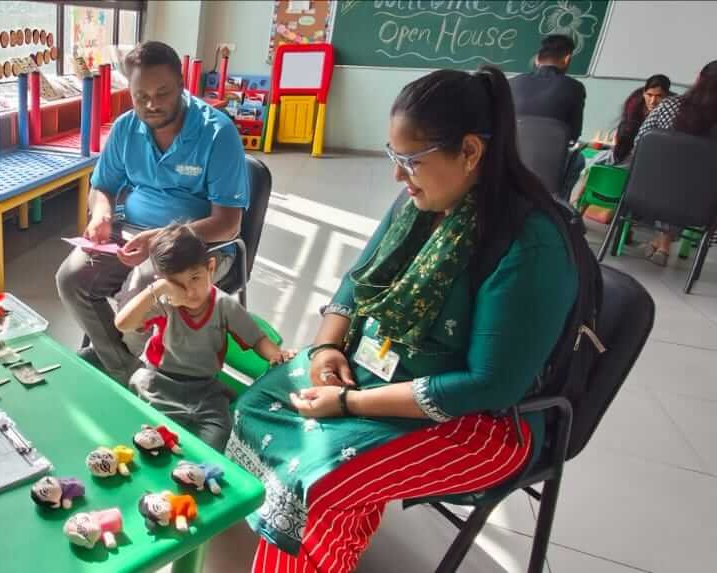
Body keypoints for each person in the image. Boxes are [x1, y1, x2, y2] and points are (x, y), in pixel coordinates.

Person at [227, 66, 576, 573]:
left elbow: (488, 384)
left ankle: (315, 541)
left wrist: (350, 403)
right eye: (394, 156)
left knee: (318, 483)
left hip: (482, 423)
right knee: (255, 406)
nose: (397, 175)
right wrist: (327, 348)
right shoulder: (421, 202)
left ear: (470, 152)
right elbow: (357, 281)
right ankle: (315, 538)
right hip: (381, 373)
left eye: (410, 160)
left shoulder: (528, 243)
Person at [56, 40, 250, 384]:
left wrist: (159, 238)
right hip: (131, 232)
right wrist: (101, 214)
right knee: (72, 278)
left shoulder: (217, 133)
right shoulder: (126, 128)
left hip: (199, 246)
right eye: (140, 96)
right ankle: (127, 371)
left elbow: (228, 224)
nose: (151, 105)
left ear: (182, 85)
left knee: (144, 290)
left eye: (163, 93)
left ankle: (131, 366)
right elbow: (102, 187)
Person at [113, 224, 293, 450]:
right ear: (164, 281)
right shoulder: (165, 303)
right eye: (176, 284)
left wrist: (276, 354)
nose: (189, 292)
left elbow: (257, 339)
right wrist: (157, 290)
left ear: (211, 267)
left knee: (218, 437)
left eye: (195, 278)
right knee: (150, 440)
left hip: (206, 389)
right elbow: (122, 323)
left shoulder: (224, 305)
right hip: (158, 382)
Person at [634, 61, 717, 266]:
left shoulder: (669, 104)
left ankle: (661, 244)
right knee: (691, 181)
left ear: (698, 79)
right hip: (701, 205)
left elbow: (640, 143)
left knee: (673, 176)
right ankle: (662, 244)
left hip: (647, 191)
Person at [568, 74, 673, 218]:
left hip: (645, 161)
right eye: (649, 95)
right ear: (644, 93)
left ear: (667, 97)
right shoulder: (635, 104)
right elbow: (624, 132)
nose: (653, 101)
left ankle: (579, 205)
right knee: (600, 164)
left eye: (659, 96)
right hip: (627, 156)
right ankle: (578, 205)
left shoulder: (669, 113)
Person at [510, 34, 587, 142]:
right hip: (552, 152)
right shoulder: (575, 88)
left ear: (537, 59)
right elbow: (574, 134)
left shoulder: (512, 83)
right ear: (567, 59)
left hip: (509, 151)